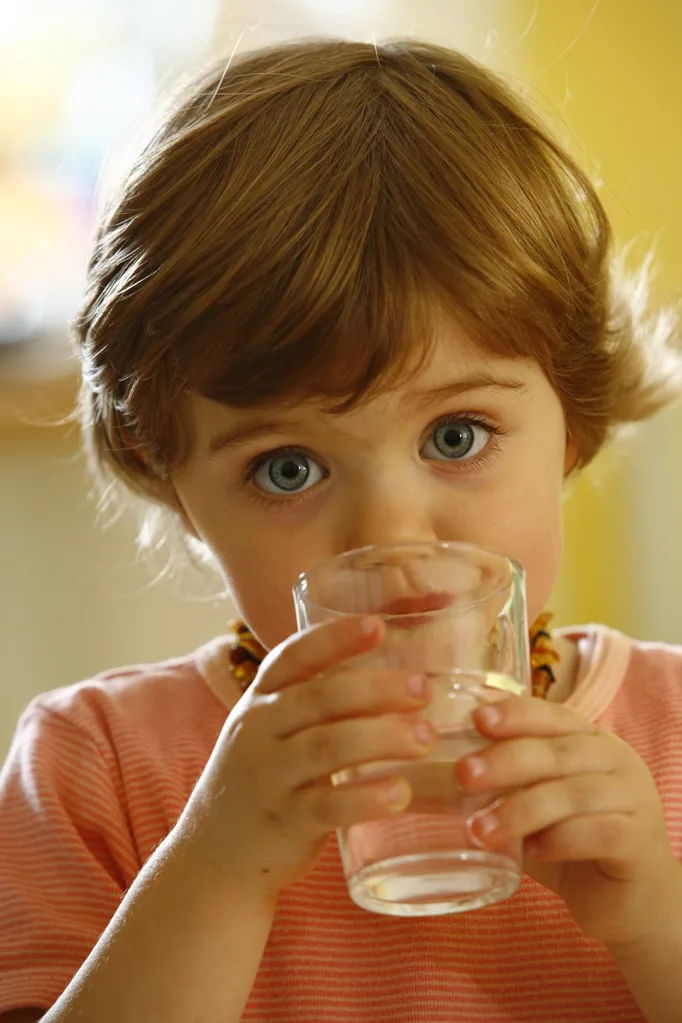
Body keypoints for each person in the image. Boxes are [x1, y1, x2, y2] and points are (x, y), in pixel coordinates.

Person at [1, 38, 681, 1023]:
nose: (391, 536)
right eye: (288, 468)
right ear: (172, 482)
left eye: (456, 435)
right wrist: (219, 868)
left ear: (572, 425)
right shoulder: (95, 765)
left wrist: (657, 920)